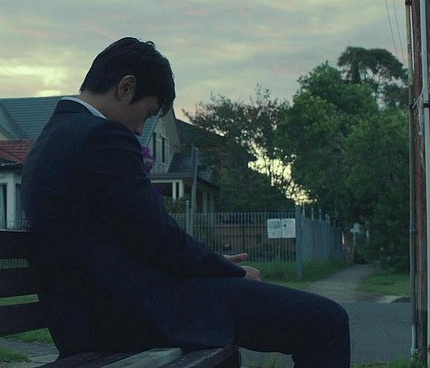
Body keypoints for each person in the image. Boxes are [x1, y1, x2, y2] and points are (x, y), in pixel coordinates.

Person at [21, 37, 350, 367]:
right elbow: (158, 235)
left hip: (90, 318)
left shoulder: (51, 139)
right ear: (125, 87)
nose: (139, 129)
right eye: (146, 114)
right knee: (328, 321)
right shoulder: (101, 136)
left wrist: (214, 268)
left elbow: (130, 237)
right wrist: (228, 271)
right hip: (134, 316)